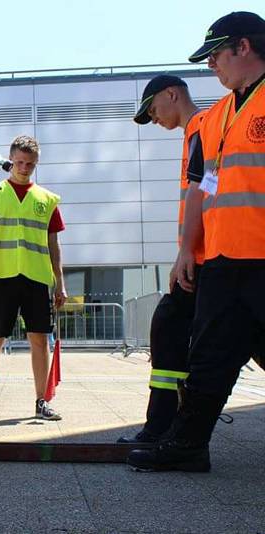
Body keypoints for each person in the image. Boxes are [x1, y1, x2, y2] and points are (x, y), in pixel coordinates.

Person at [129, 11, 265, 472]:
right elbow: (203, 188)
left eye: (216, 56)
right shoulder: (218, 119)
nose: (211, 67)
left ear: (244, 47)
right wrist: (188, 248)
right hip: (225, 259)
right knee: (209, 355)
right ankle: (187, 444)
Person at [116, 76, 206, 444]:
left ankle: (165, 427)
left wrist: (186, 251)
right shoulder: (195, 133)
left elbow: (206, 188)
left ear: (173, 94)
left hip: (216, 257)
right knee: (171, 325)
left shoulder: (204, 126)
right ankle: (165, 426)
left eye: (153, 110)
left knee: (171, 326)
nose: (154, 119)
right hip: (208, 255)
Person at [0, 135, 66, 422]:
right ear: (10, 160)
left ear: (36, 163)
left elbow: (53, 245)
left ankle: (41, 402)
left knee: (39, 341)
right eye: (19, 162)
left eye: (30, 164)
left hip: (36, 278)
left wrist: (60, 282)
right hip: (0, 276)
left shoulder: (47, 200)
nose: (24, 168)